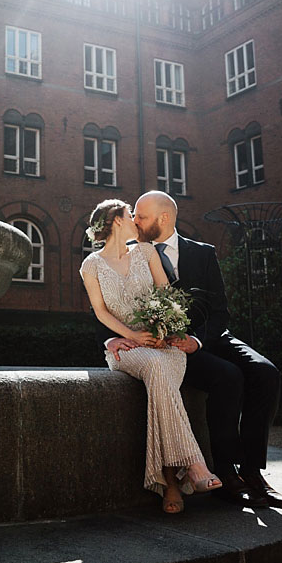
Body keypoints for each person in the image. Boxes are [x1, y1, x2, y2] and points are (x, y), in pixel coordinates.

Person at [97, 191, 282, 509]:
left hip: (209, 337)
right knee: (227, 377)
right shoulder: (127, 254)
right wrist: (108, 340)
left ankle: (253, 472)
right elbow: (106, 305)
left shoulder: (202, 253)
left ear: (163, 218)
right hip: (166, 346)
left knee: (265, 373)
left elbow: (220, 311)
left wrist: (198, 340)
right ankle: (227, 475)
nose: (135, 221)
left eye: (142, 216)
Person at [80, 199, 222, 514]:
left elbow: (167, 294)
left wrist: (163, 328)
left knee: (160, 376)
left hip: (162, 346)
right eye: (130, 214)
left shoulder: (146, 252)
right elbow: (101, 311)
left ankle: (170, 485)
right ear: (117, 220)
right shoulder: (91, 265)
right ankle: (195, 466)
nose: (136, 219)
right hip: (127, 349)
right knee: (157, 369)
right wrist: (129, 336)